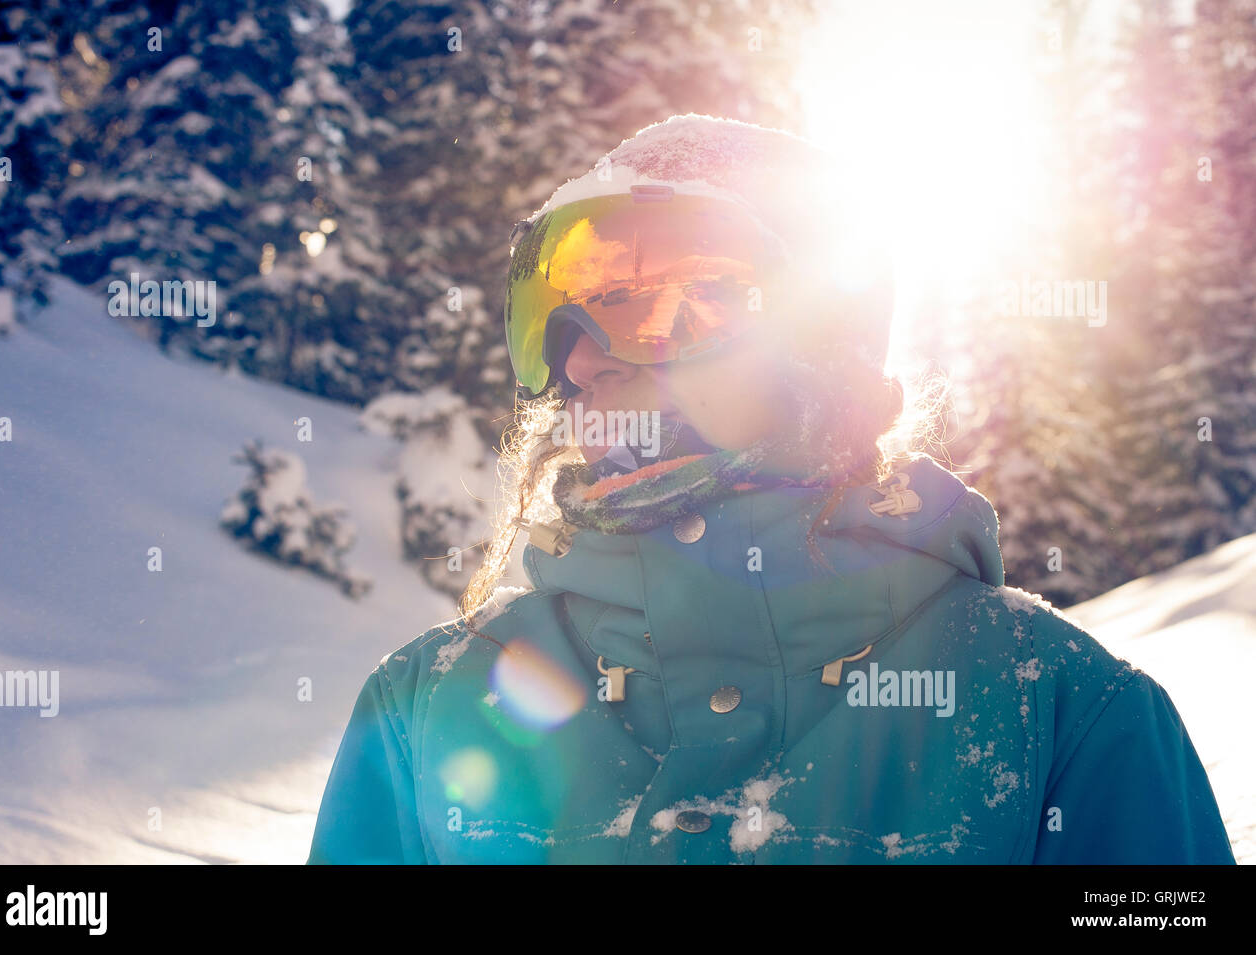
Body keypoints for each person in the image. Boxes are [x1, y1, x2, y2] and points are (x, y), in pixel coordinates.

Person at [307, 114, 1235, 864]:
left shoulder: (1063, 714)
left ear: (817, 331)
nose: (583, 357)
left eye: (649, 293)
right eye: (549, 314)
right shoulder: (424, 709)